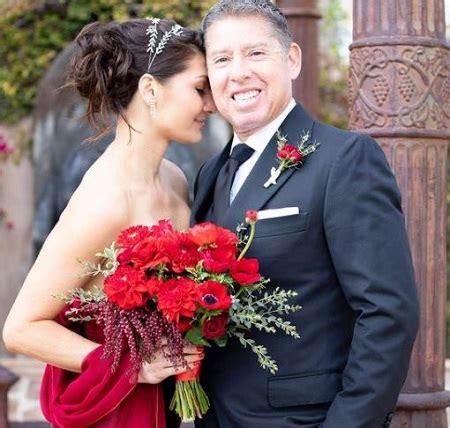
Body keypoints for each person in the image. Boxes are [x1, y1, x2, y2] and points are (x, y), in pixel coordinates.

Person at [191, 1, 419, 427]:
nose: (238, 72)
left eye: (256, 53)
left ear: (292, 60)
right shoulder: (211, 173)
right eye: (222, 59)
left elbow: (387, 313)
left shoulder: (345, 159)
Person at [3, 17, 216, 428]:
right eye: (199, 88)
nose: (210, 104)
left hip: (165, 405)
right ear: (150, 89)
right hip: (120, 413)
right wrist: (132, 365)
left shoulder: (174, 178)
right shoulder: (106, 200)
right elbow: (21, 328)